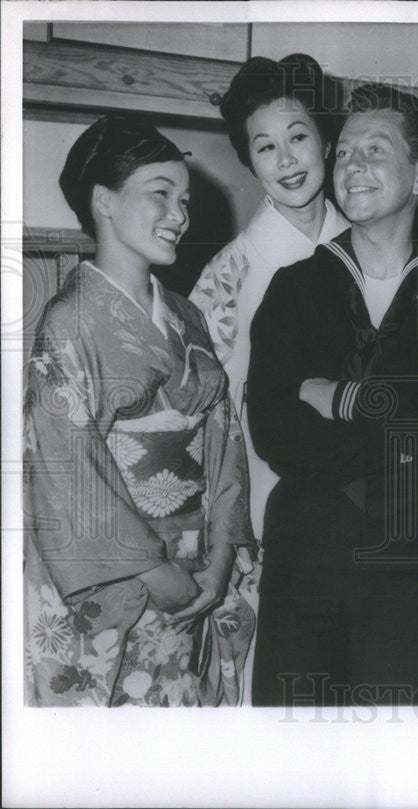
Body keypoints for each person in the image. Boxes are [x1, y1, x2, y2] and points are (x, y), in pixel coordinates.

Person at [247, 83, 418, 706]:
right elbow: (275, 430)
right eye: (343, 152)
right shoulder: (296, 288)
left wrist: (350, 400)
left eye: (375, 149)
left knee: (392, 761)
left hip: (405, 565)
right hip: (302, 560)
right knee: (290, 759)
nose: (352, 166)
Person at [23, 116, 254, 707]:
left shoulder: (186, 314)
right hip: (125, 580)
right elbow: (65, 464)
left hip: (198, 566)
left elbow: (225, 440)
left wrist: (222, 554)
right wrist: (154, 572)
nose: (180, 214)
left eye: (184, 200)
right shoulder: (70, 320)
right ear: (103, 200)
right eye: (160, 194)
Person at [187, 54, 349, 702]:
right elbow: (211, 416)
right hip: (267, 498)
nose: (286, 159)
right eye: (265, 146)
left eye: (299, 136)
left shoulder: (375, 245)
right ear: (250, 162)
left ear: (326, 139)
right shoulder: (229, 274)